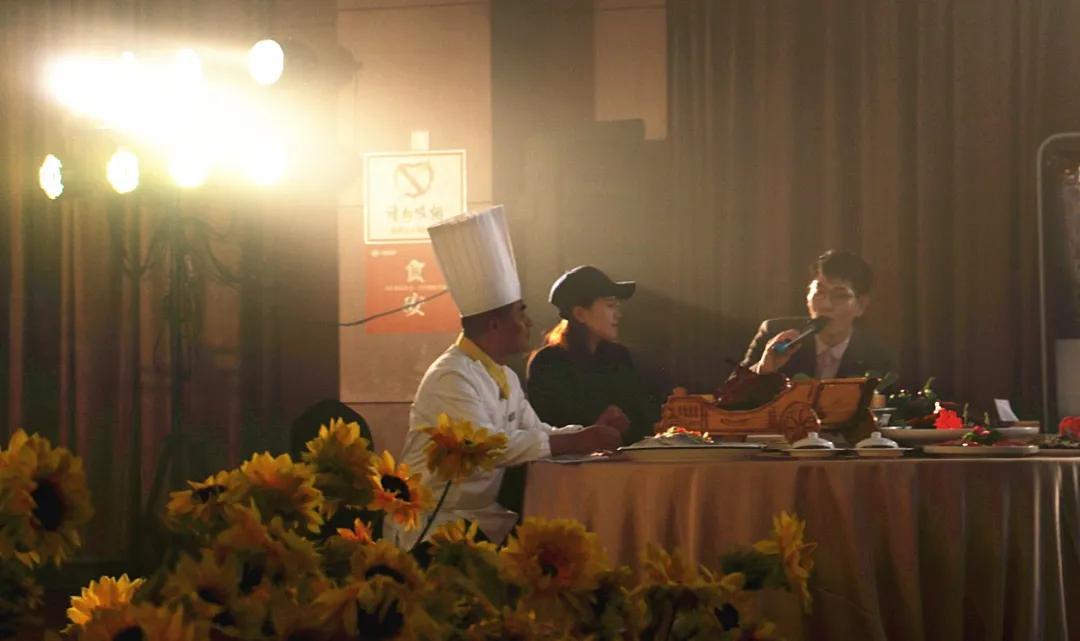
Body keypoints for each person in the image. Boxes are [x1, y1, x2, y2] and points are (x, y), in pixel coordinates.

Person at [389, 207, 626, 549]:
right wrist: (577, 441)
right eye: (520, 313)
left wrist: (588, 433)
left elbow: (537, 433)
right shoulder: (451, 376)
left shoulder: (504, 375)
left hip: (482, 520)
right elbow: (486, 447)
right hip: (432, 526)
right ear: (495, 325)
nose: (529, 323)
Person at [526, 265, 659, 446]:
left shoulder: (619, 357)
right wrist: (594, 430)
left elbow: (642, 421)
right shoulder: (547, 363)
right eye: (610, 306)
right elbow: (546, 430)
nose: (618, 314)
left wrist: (626, 426)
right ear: (580, 313)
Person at [740, 250, 893, 379]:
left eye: (840, 296)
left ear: (861, 305)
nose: (826, 305)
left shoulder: (877, 357)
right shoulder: (775, 333)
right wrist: (763, 368)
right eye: (819, 292)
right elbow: (729, 396)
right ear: (807, 296)